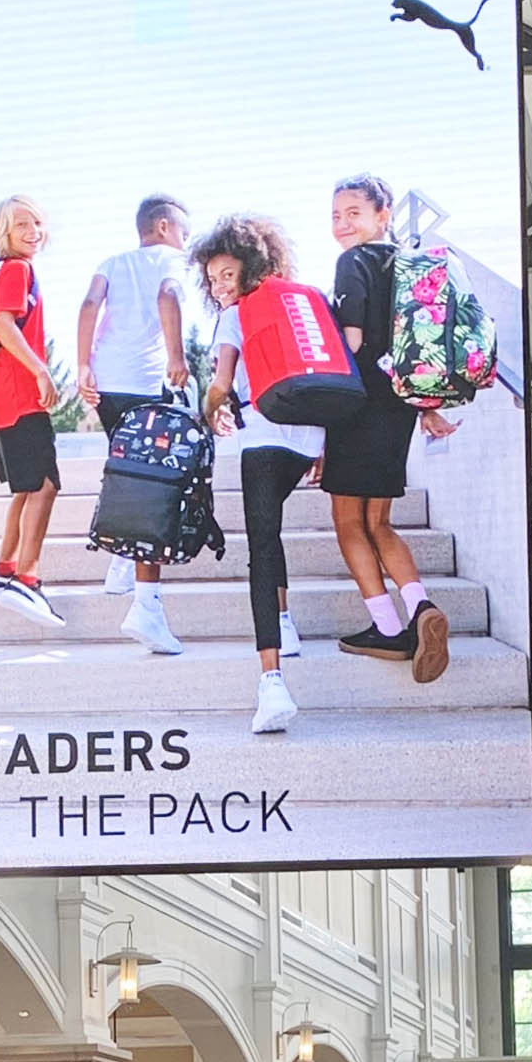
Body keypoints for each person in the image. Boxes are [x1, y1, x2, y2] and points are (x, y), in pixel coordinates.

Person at [189, 215, 315, 738]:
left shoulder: (235, 317)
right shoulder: (301, 301)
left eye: (226, 275)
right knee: (273, 530)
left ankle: (272, 682)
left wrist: (210, 407)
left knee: (262, 543)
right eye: (213, 278)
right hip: (310, 437)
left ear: (251, 269)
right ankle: (284, 623)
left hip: (264, 435)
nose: (219, 286)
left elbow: (221, 383)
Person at [326, 174, 455, 683]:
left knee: (346, 522)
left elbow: (352, 342)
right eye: (335, 214)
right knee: (378, 522)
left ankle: (386, 627)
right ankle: (421, 608)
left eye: (353, 213)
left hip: (358, 403)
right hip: (400, 404)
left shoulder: (352, 262)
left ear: (383, 216)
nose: (341, 224)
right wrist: (426, 407)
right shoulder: (409, 264)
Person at [79, 194, 197, 655]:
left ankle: (119, 564)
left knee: (127, 471)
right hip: (148, 381)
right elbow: (168, 296)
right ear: (166, 227)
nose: (185, 242)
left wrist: (84, 365)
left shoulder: (113, 260)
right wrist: (176, 356)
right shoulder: (172, 260)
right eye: (185, 233)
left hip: (108, 380)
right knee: (154, 487)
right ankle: (146, 606)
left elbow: (89, 305)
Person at [0, 193, 67, 627]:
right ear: (4, 234)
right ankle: (27, 581)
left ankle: (4, 570)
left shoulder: (3, 272)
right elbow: (3, 325)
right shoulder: (16, 269)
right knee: (45, 486)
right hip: (17, 397)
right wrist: (42, 372)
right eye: (21, 226)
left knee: (26, 489)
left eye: (37, 224)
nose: (32, 233)